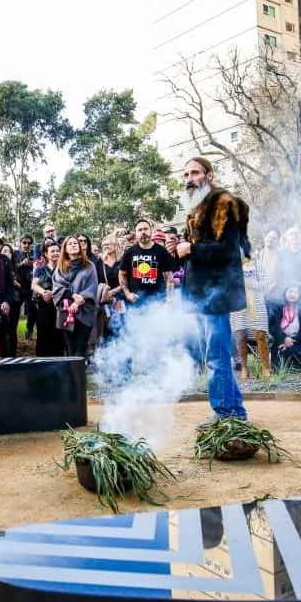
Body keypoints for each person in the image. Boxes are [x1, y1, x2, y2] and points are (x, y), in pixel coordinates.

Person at [175, 156, 251, 422]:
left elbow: (228, 251)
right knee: (216, 355)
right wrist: (182, 250)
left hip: (217, 294)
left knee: (216, 357)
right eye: (186, 175)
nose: (189, 179)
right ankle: (236, 411)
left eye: (195, 173)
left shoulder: (223, 204)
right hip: (202, 294)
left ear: (208, 175)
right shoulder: (197, 208)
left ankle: (223, 412)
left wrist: (191, 248)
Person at [52, 235, 99, 359]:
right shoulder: (60, 267)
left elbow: (92, 287)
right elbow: (57, 287)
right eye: (70, 244)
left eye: (75, 243)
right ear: (65, 249)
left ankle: (79, 371)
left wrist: (78, 302)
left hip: (85, 311)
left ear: (80, 247)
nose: (73, 245)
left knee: (81, 348)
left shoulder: (89, 266)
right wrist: (72, 295)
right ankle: (71, 371)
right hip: (65, 311)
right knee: (70, 348)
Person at [120, 219, 177, 308]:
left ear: (151, 231)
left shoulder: (161, 251)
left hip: (158, 302)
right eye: (140, 230)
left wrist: (170, 299)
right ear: (136, 234)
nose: (143, 232)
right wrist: (127, 294)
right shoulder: (129, 253)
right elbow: (122, 274)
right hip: (136, 303)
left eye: (145, 229)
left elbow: (169, 277)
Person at [32, 241, 64, 357]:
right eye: (52, 251)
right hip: (44, 306)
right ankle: (42, 362)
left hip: (60, 306)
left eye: (57, 251)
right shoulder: (41, 269)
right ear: (46, 254)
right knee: (43, 334)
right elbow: (34, 285)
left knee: (59, 335)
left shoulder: (64, 269)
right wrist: (44, 292)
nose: (56, 253)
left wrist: (55, 293)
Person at [15, 236, 37, 342]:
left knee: (32, 311)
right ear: (20, 243)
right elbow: (11, 268)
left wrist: (33, 264)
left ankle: (29, 333)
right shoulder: (15, 254)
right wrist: (21, 264)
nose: (26, 245)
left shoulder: (35, 254)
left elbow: (39, 267)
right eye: (24, 242)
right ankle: (12, 334)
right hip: (18, 287)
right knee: (15, 311)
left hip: (30, 287)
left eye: (29, 243)